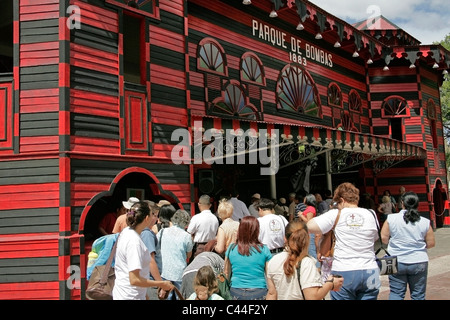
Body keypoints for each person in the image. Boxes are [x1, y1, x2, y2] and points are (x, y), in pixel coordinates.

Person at [307, 182, 381, 300]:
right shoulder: (371, 214)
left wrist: (330, 226)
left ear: (342, 199)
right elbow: (375, 237)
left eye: (337, 203)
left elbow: (310, 226)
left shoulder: (336, 214)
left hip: (344, 270)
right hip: (370, 270)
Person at [266, 220, 344, 300]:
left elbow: (272, 294)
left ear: (285, 238)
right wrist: (330, 284)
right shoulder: (306, 263)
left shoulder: (274, 261)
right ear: (308, 238)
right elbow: (312, 297)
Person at [112, 201, 174, 300]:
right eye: (152, 214)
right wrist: (162, 283)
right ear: (146, 218)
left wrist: (145, 296)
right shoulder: (134, 241)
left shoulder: (126, 232)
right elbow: (134, 279)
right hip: (131, 296)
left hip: (124, 293)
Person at [380, 191, 436, 300]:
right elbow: (431, 243)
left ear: (402, 203)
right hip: (418, 260)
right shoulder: (425, 221)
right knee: (418, 295)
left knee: (396, 293)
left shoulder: (391, 219)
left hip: (395, 260)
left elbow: (384, 238)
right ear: (417, 204)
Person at [224, 216, 272, 300]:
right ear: (256, 230)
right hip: (259, 291)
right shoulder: (264, 249)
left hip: (235, 291)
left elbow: (226, 273)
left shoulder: (231, 248)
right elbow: (269, 275)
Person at [157, 209, 193, 300]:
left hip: (165, 270)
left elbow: (156, 246)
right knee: (180, 297)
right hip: (179, 272)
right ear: (186, 222)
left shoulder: (162, 231)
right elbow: (189, 255)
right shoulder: (187, 236)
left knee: (165, 296)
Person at [140, 200, 163, 300]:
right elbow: (150, 260)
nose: (157, 219)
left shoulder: (137, 231)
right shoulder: (147, 234)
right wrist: (160, 283)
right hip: (150, 281)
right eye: (156, 215)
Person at [187, 195, 219, 260]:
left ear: (199, 204)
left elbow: (189, 233)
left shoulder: (196, 218)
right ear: (210, 205)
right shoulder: (215, 219)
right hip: (212, 248)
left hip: (199, 249)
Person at [297, 194, 320, 266]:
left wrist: (301, 215)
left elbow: (308, 221)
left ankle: (316, 266)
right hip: (306, 232)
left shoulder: (310, 209)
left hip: (310, 232)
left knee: (311, 250)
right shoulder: (308, 208)